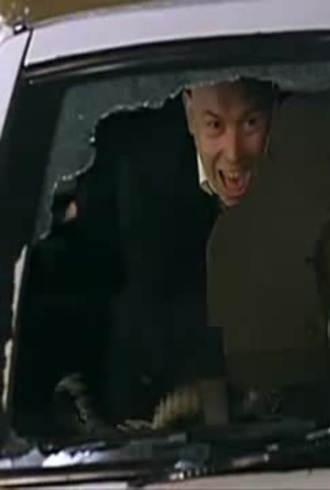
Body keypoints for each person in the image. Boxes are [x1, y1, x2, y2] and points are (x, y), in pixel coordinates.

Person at [65, 78, 278, 427]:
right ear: (189, 111)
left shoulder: (313, 159)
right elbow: (99, 274)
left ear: (273, 109)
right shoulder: (133, 174)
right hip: (151, 405)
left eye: (250, 123)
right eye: (215, 125)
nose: (234, 152)